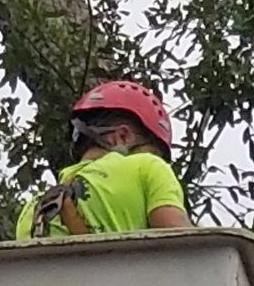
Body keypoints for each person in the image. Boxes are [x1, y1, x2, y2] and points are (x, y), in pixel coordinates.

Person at [16, 80, 193, 240]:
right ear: (122, 137)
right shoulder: (147, 167)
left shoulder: (32, 211)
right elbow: (185, 247)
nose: (155, 159)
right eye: (152, 152)